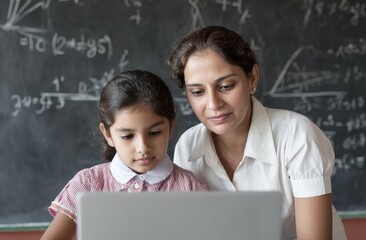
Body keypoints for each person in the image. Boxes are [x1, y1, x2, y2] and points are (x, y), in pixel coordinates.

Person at [166, 26, 347, 240]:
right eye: (198, 92)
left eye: (225, 86)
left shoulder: (297, 135)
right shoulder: (187, 147)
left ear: (252, 79)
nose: (213, 104)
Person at [41, 70, 207, 240]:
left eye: (154, 132)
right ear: (108, 135)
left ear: (170, 127)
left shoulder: (190, 189)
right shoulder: (89, 184)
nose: (143, 147)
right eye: (127, 136)